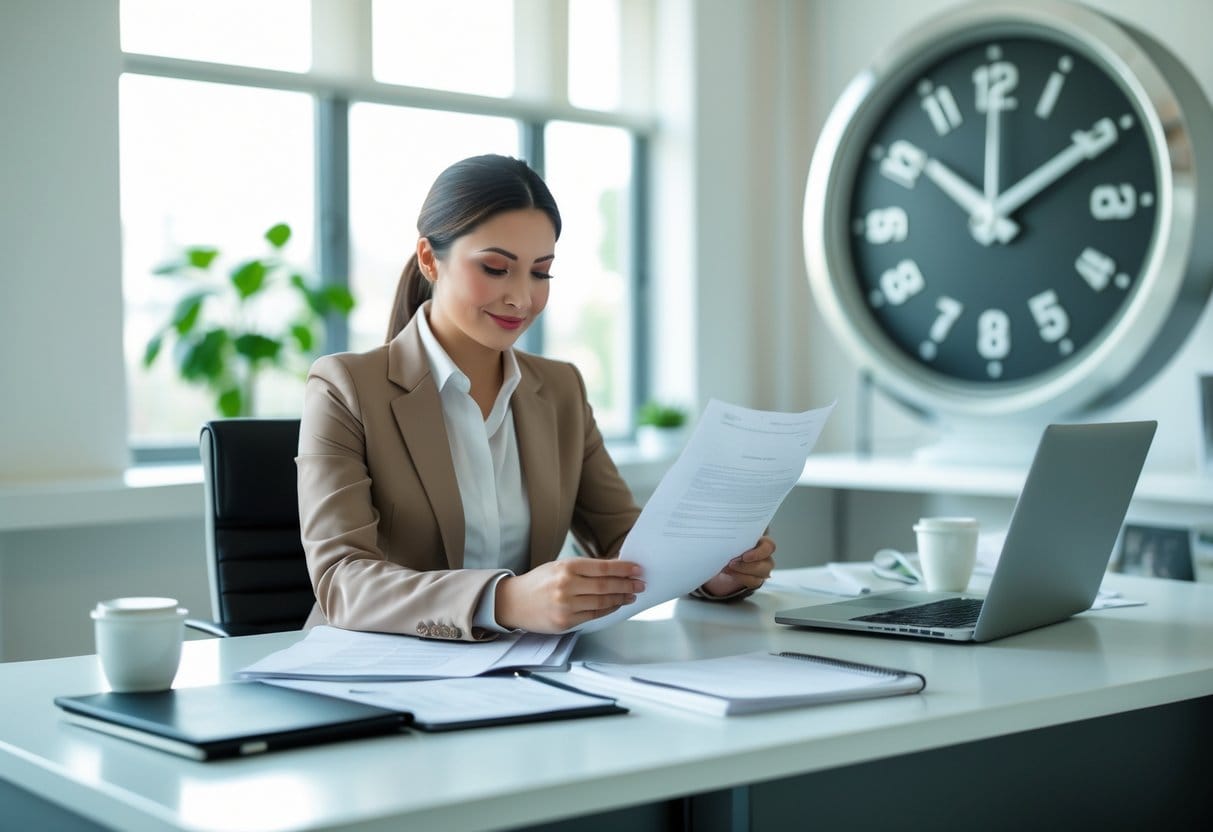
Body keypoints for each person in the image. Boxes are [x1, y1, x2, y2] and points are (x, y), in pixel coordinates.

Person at [297, 154, 775, 641]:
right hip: (377, 669)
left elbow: (624, 541)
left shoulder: (561, 388)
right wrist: (503, 600)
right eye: (496, 268)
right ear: (428, 259)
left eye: (540, 273)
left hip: (528, 674)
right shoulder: (346, 387)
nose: (522, 299)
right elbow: (341, 579)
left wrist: (711, 573)